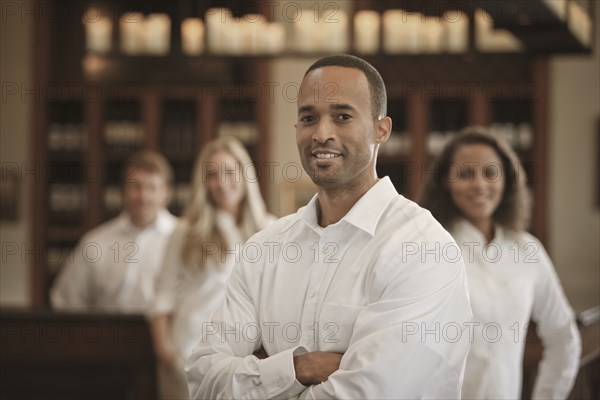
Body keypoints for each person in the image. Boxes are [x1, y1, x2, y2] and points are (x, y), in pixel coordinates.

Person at [185, 54, 473, 399]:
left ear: (381, 129)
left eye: (342, 116)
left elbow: (369, 393)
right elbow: (202, 380)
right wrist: (300, 368)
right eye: (309, 117)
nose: (321, 133)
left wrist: (262, 373)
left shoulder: (422, 248)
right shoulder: (266, 248)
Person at [419, 127, 581, 399]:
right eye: (466, 174)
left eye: (490, 173)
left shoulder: (527, 250)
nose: (480, 185)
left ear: (507, 180)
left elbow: (564, 337)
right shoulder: (427, 248)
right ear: (445, 181)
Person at [148, 136, 274, 400]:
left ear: (245, 174)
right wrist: (167, 353)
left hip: (249, 360)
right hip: (190, 353)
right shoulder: (186, 232)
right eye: (213, 175)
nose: (223, 182)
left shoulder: (272, 230)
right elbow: (163, 296)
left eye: (230, 172)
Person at [51, 150, 177, 313]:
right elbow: (65, 301)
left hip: (167, 336)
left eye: (152, 188)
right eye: (136, 186)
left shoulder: (185, 239)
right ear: (123, 191)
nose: (143, 196)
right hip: (104, 335)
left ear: (167, 193)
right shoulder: (95, 243)